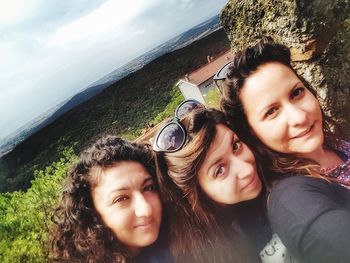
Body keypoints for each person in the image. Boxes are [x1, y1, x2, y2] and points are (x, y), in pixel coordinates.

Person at [220, 36, 350, 263]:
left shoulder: (332, 144)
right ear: (252, 133)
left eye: (296, 93)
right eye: (271, 112)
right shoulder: (292, 200)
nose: (299, 117)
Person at [153, 99, 294, 263]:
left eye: (235, 146)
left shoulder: (284, 174)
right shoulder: (202, 254)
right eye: (219, 170)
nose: (246, 170)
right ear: (195, 192)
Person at [50, 135, 169, 263]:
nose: (146, 209)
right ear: (92, 213)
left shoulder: (176, 243)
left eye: (148, 187)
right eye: (121, 198)